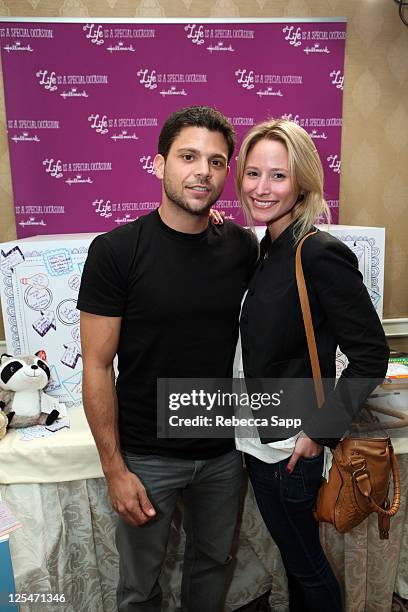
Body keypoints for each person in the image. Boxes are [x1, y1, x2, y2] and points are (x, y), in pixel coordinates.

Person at [77, 106, 258, 612]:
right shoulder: (115, 251)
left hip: (224, 453)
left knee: (213, 567)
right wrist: (115, 469)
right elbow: (96, 366)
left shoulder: (242, 247)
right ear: (159, 165)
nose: (202, 170)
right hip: (147, 456)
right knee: (139, 587)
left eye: (217, 161)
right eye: (188, 156)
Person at [230, 119, 390, 611]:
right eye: (253, 173)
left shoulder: (317, 252)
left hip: (289, 450)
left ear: (301, 181)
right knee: (295, 563)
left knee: (306, 566)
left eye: (278, 176)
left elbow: (370, 355)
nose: (262, 187)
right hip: (258, 438)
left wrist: (317, 432)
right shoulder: (267, 248)